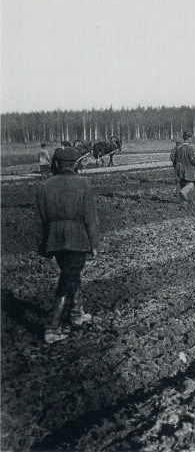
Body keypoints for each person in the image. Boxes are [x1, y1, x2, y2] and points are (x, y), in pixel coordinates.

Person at [36, 146, 100, 344]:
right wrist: (94, 243)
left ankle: (77, 313)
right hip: (77, 238)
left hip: (54, 239)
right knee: (67, 281)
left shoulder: (44, 186)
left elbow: (41, 218)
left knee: (71, 274)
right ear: (75, 164)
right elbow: (90, 217)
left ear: (56, 164)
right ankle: (52, 328)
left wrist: (44, 242)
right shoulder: (83, 184)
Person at [172, 131, 195, 205]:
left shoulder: (178, 147)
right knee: (191, 184)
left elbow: (174, 159)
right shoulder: (189, 148)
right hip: (187, 169)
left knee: (183, 184)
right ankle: (182, 193)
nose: (191, 140)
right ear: (189, 138)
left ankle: (183, 203)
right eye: (191, 138)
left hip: (179, 169)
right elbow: (192, 160)